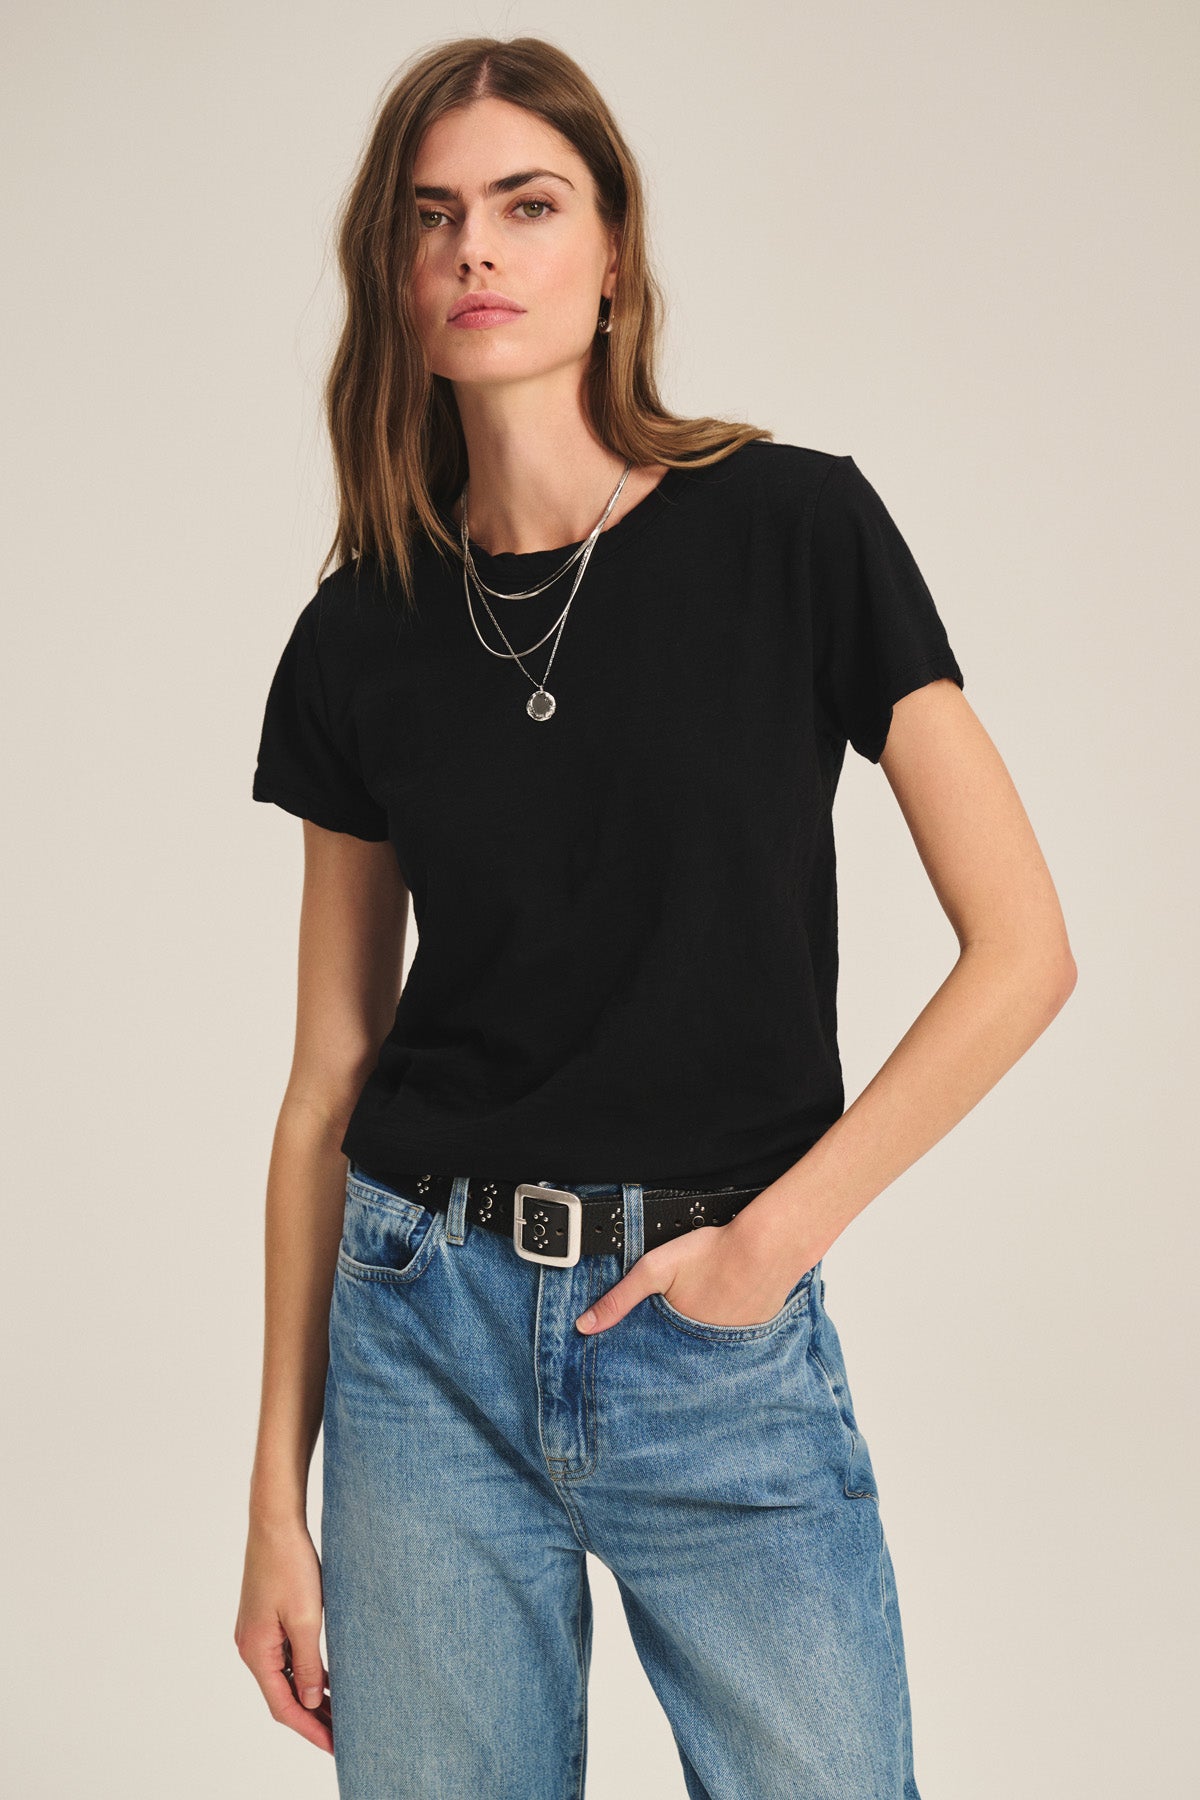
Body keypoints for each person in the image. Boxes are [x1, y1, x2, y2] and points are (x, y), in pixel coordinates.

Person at [234, 34, 1077, 1800]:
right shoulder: (363, 628)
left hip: (714, 1331)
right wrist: (272, 1505)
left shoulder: (793, 529)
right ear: (393, 279)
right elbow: (328, 1084)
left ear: (613, 251)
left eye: (527, 206)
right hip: (421, 1338)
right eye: (433, 217)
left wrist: (772, 1245)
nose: (477, 249)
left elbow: (1025, 951)